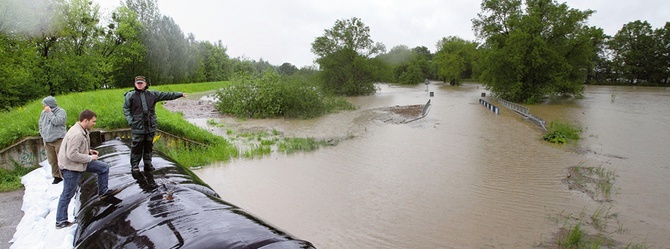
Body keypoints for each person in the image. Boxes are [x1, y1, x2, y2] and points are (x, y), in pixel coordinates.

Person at [55, 109, 120, 229]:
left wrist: (88, 151)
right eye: (93, 121)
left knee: (103, 168)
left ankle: (103, 192)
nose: (94, 124)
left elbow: (78, 149)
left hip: (79, 162)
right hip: (71, 167)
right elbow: (72, 155)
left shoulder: (83, 130)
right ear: (85, 120)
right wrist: (90, 157)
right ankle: (60, 221)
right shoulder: (76, 134)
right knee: (67, 194)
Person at [123, 76, 186, 174]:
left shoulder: (152, 94)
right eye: (138, 83)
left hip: (150, 126)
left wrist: (180, 94)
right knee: (137, 146)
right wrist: (131, 121)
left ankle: (148, 164)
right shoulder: (130, 95)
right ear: (135, 84)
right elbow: (126, 109)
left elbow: (166, 95)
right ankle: (135, 166)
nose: (140, 85)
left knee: (148, 145)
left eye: (141, 83)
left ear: (145, 83)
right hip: (137, 126)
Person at [38, 96, 67, 184]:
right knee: (52, 160)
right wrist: (42, 134)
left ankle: (66, 175)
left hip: (58, 139)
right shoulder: (43, 113)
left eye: (45, 105)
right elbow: (40, 123)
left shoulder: (61, 111)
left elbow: (58, 121)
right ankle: (56, 176)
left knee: (62, 159)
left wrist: (50, 113)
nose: (44, 107)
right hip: (47, 140)